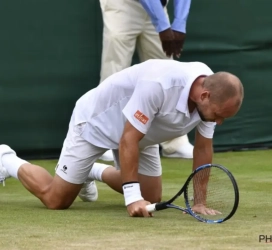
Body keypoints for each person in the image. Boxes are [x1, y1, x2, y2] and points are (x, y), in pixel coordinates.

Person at [0, 59, 244, 217]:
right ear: (204, 95)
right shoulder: (159, 84)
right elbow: (127, 139)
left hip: (143, 133)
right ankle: (7, 160)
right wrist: (132, 198)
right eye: (218, 116)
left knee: (152, 196)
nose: (218, 122)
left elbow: (202, 149)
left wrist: (199, 202)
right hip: (97, 123)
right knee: (56, 200)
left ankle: (90, 171)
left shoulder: (212, 95)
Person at [99, 0, 193, 161]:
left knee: (167, 71)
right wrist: (163, 26)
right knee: (114, 71)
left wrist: (179, 24)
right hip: (122, 5)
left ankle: (174, 143)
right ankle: (102, 141)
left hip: (159, 6)